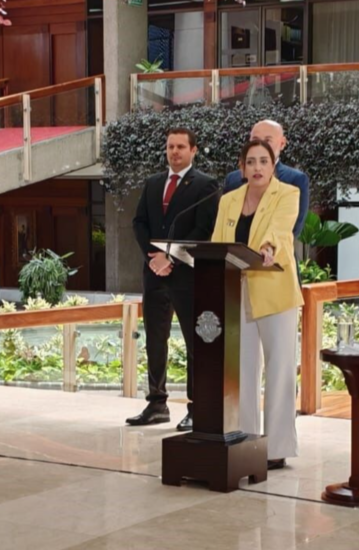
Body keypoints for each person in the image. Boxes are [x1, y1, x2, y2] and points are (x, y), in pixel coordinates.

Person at [212, 138, 302, 470]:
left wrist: (267, 247)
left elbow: (279, 230)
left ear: (273, 165)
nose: (257, 167)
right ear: (242, 168)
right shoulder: (228, 200)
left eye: (263, 161)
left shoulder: (288, 194)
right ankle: (246, 440)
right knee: (242, 371)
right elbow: (217, 242)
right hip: (236, 291)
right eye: (250, 162)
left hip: (275, 290)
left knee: (280, 370)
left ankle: (276, 448)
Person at [129, 128, 220, 431]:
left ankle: (197, 407)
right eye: (170, 146)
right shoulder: (153, 183)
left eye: (181, 146)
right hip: (154, 274)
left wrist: (170, 257)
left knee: (194, 342)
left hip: (187, 275)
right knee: (155, 340)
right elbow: (139, 223)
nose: (175, 152)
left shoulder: (206, 185)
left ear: (194, 150)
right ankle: (157, 403)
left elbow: (203, 229)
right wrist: (152, 259)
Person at [224, 120, 309, 238]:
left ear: (282, 143)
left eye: (267, 140)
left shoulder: (295, 179)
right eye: (255, 140)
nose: (260, 145)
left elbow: (293, 228)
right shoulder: (233, 179)